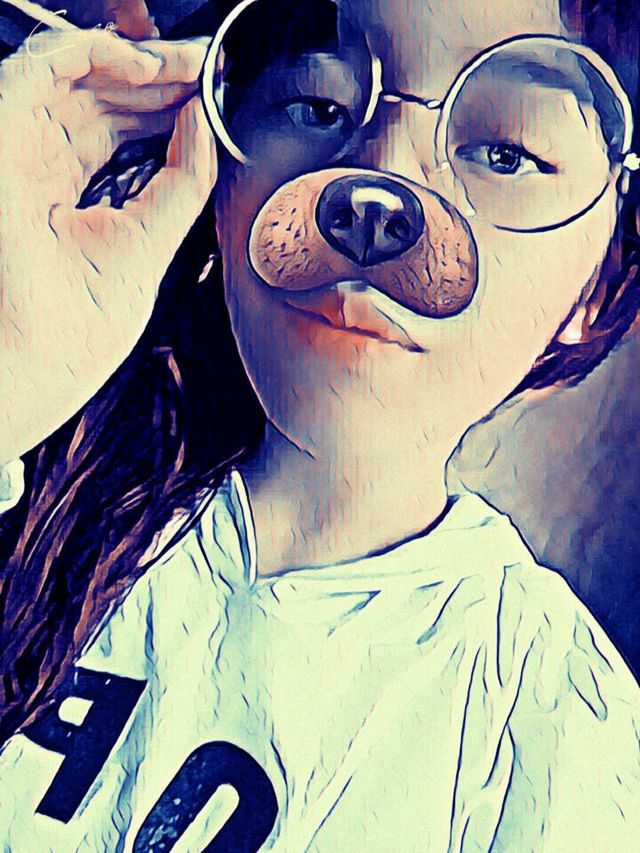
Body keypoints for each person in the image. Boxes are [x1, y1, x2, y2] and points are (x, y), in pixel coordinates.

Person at [0, 0, 639, 849]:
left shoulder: (552, 725)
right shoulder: (31, 452)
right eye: (318, 105)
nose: (377, 193)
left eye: (505, 153)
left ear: (602, 275)